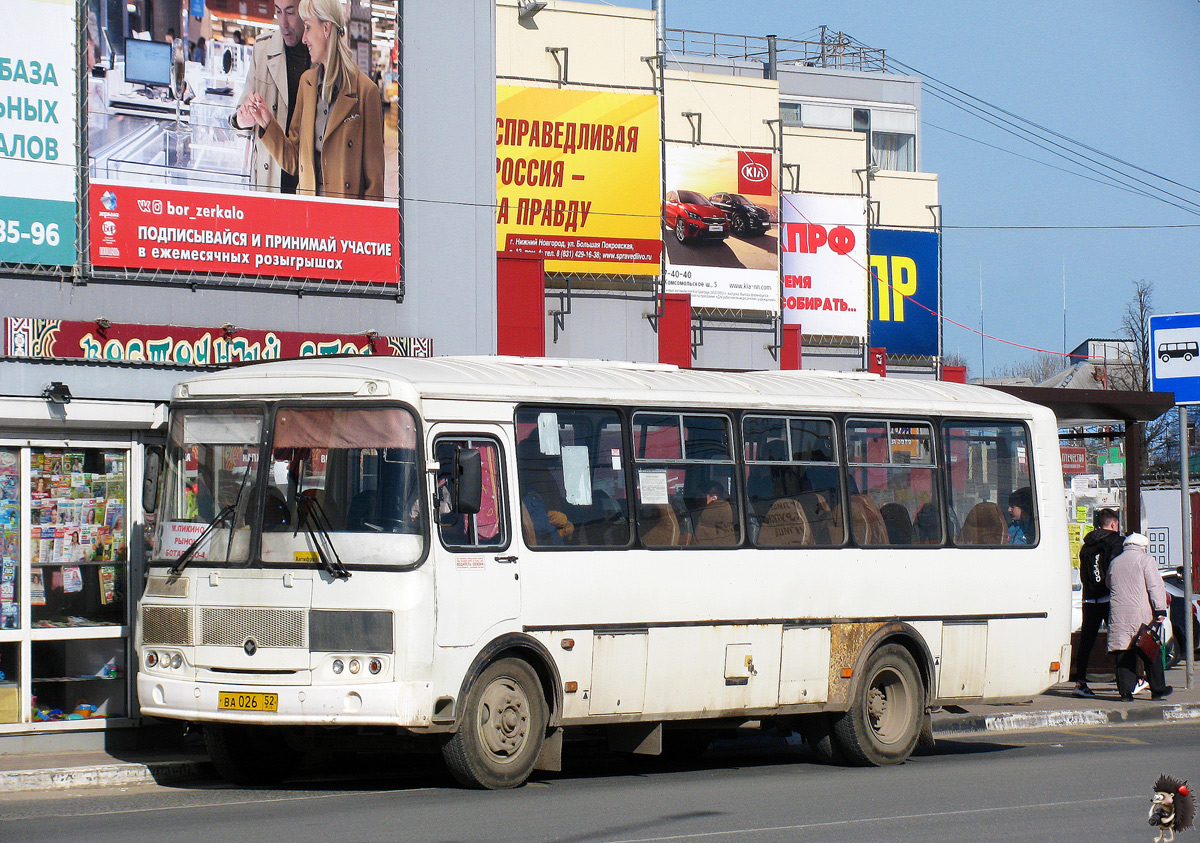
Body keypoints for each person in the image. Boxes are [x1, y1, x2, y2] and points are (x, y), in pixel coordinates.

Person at [240, 0, 385, 201]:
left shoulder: (365, 92)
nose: (305, 38)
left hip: (344, 221)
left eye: (308, 27)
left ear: (326, 28)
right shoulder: (307, 84)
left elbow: (374, 184)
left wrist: (363, 230)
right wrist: (266, 122)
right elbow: (294, 161)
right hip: (308, 218)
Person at [231, 2, 310, 193]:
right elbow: (240, 117)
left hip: (308, 175)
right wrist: (243, 121)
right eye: (278, 12)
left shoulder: (321, 53)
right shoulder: (262, 49)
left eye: (290, 13)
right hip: (270, 174)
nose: (283, 23)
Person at [1106, 532, 1172, 701]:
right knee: (1150, 650)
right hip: (1141, 614)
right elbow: (1155, 586)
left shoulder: (1115, 562)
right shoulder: (1145, 560)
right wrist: (1160, 610)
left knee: (1123, 652)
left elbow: (1108, 582)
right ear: (1142, 546)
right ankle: (1158, 689)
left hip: (1119, 614)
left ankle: (1126, 693)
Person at [1073, 508, 1123, 698]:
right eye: (1116, 525)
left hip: (1089, 598)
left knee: (1087, 641)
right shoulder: (1115, 541)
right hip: (1108, 597)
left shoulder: (1087, 543)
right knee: (1120, 638)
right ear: (1112, 524)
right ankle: (1127, 681)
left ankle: (1080, 683)